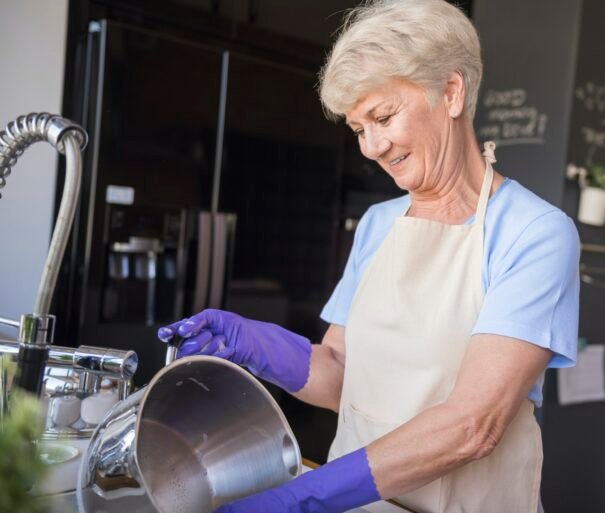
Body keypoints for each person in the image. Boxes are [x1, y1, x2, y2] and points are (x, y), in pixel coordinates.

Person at [157, 1, 580, 512]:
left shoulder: (534, 234)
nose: (372, 146)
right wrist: (250, 342)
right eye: (359, 128)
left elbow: (473, 425)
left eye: (383, 116)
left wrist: (305, 496)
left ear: (450, 92)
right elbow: (341, 375)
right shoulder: (380, 224)